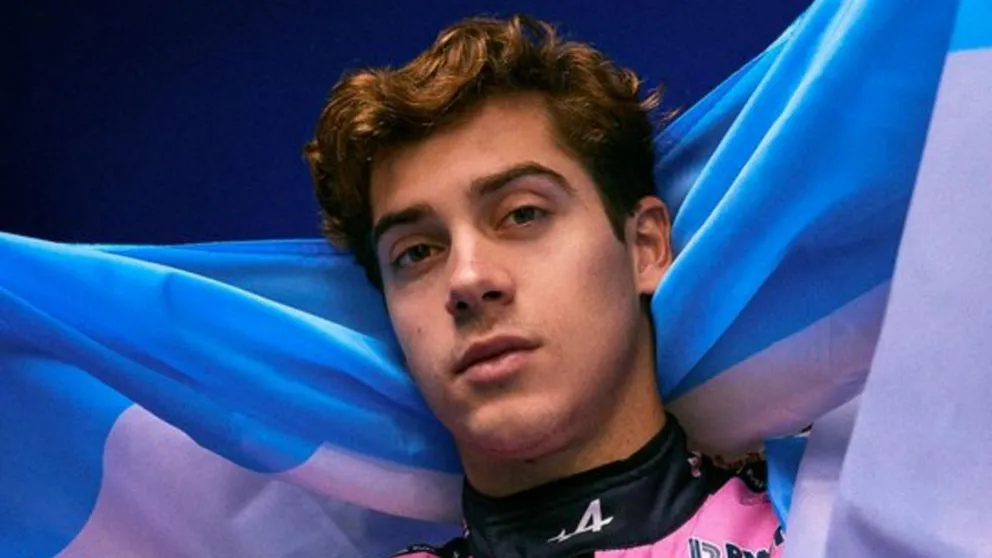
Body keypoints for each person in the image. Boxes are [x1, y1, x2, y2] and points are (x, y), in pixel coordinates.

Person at [304, 14, 784, 558]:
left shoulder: (830, 525)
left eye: (522, 214)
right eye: (416, 252)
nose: (468, 279)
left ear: (645, 247)